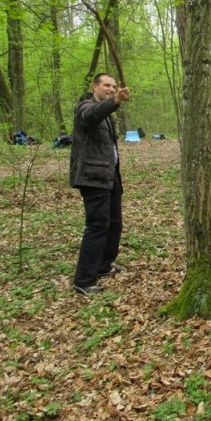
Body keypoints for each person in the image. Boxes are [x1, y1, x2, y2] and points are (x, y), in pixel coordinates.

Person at [70, 73, 131, 295]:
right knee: (97, 225)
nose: (111, 89)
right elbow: (90, 116)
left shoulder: (107, 112)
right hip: (92, 176)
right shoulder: (85, 107)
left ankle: (104, 265)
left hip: (109, 175)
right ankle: (83, 280)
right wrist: (114, 101)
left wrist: (112, 103)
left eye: (113, 86)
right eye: (106, 85)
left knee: (114, 223)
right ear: (94, 86)